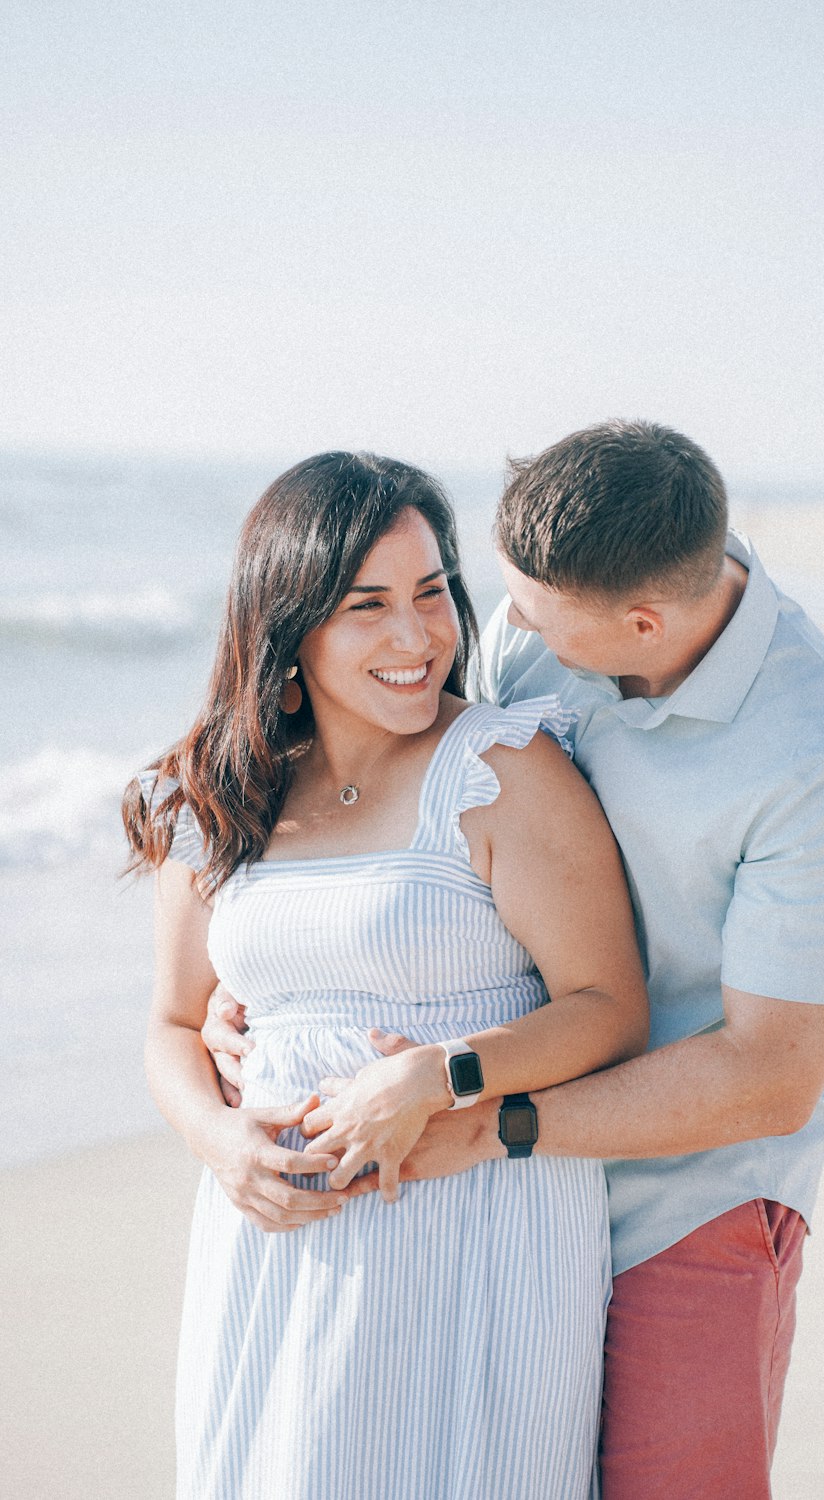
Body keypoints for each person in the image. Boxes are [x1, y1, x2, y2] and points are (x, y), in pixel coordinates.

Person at [209, 421, 824, 1499]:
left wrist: (483, 1122)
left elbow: (768, 1077)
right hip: (484, 1181)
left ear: (642, 621)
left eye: (525, 614)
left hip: (685, 1196)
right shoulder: (550, 623)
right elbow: (420, 824)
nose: (481, 637)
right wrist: (252, 992)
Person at [123, 450, 648, 1500]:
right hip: (276, 1246)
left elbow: (608, 1009)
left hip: (482, 1229)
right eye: (367, 606)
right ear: (290, 624)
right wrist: (222, 1143)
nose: (415, 638)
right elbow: (175, 1026)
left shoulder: (501, 770)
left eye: (431, 593)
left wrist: (435, 1076)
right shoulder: (218, 799)